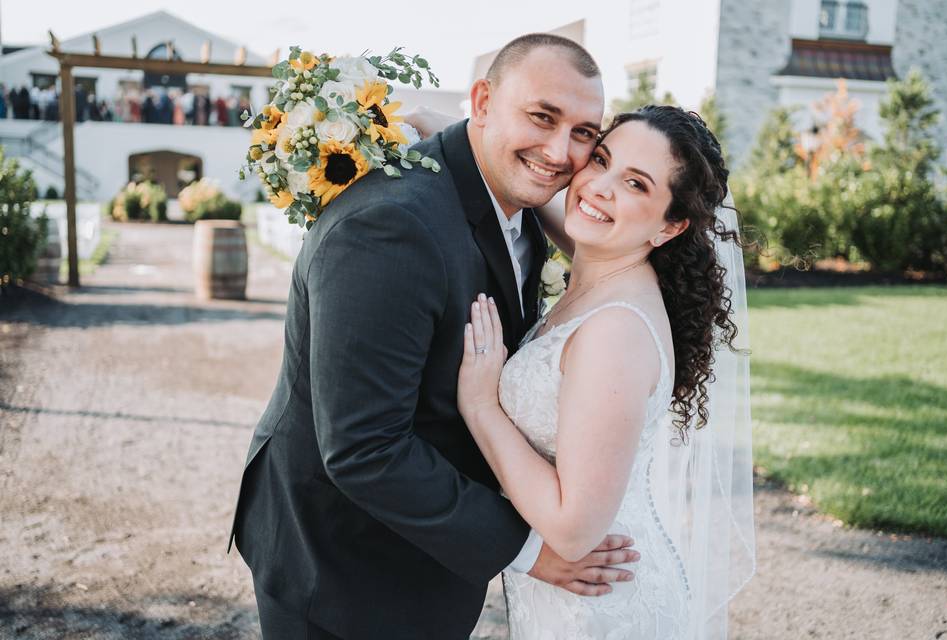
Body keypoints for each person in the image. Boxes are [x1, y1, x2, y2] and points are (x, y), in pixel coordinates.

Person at [230, 34, 643, 640]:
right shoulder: (391, 225)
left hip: (426, 560)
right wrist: (532, 553)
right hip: (343, 568)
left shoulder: (512, 199)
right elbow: (365, 446)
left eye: (584, 133)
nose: (560, 152)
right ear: (482, 103)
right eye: (541, 116)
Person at [453, 105, 756, 638]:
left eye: (636, 184)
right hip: (568, 598)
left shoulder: (616, 331)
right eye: (600, 160)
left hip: (601, 606)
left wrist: (480, 408)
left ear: (671, 226)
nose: (600, 187)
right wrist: (465, 133)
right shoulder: (607, 269)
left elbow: (573, 531)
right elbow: (567, 203)